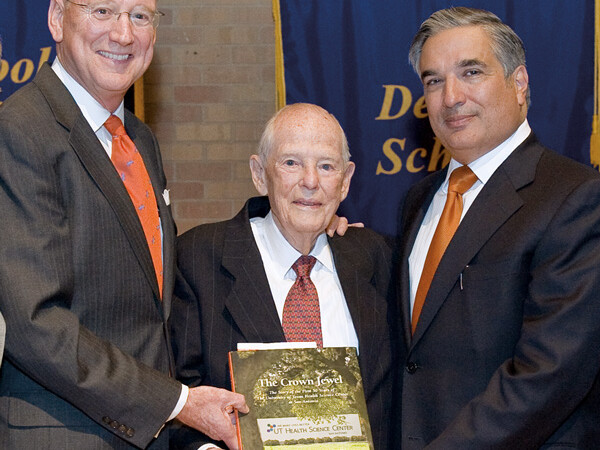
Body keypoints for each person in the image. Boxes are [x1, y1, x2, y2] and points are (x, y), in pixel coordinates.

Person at [0, 1, 247, 448]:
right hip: (63, 434)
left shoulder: (139, 140)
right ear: (57, 18)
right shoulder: (19, 131)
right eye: (102, 10)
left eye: (139, 15)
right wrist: (177, 403)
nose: (123, 34)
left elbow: (156, 299)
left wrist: (302, 235)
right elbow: (36, 324)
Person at [397, 6, 600, 448]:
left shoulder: (577, 197)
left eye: (471, 72)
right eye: (433, 80)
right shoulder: (418, 201)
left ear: (519, 83)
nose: (450, 96)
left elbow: (550, 374)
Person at [170, 103, 397, 449]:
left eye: (326, 166)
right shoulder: (198, 259)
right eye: (291, 163)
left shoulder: (382, 259)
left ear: (345, 181)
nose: (310, 181)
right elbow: (175, 392)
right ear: (260, 173)